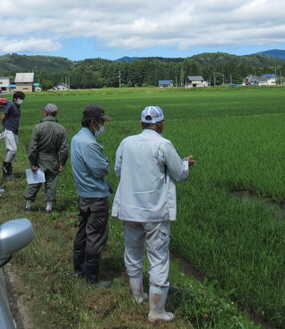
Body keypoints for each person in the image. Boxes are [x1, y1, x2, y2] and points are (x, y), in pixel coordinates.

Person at [111, 106, 195, 322]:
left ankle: (138, 295)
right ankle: (157, 310)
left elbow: (119, 170)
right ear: (161, 123)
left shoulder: (126, 143)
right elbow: (179, 173)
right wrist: (186, 164)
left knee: (133, 252)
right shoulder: (163, 144)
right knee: (158, 258)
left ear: (141, 123)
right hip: (155, 212)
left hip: (130, 209)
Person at [70, 103, 112, 286]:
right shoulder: (89, 143)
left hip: (83, 193)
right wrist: (106, 162)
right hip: (95, 195)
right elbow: (101, 169)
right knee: (95, 234)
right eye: (102, 121)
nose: (103, 125)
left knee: (83, 231)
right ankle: (92, 278)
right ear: (94, 121)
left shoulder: (77, 138)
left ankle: (78, 269)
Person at [24, 103, 69, 213]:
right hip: (53, 159)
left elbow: (33, 147)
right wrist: (61, 163)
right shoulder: (61, 129)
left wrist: (32, 162)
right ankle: (49, 207)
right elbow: (64, 149)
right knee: (51, 182)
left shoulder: (38, 127)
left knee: (34, 182)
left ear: (46, 113)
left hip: (40, 158)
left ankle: (28, 205)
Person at [1, 91, 25, 177]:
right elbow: (3, 117)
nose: (21, 100)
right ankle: (6, 167)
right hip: (9, 130)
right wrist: (5, 126)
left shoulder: (18, 108)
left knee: (11, 151)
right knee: (13, 150)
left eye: (22, 99)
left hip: (14, 131)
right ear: (15, 98)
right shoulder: (11, 106)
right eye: (20, 98)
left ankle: (8, 171)